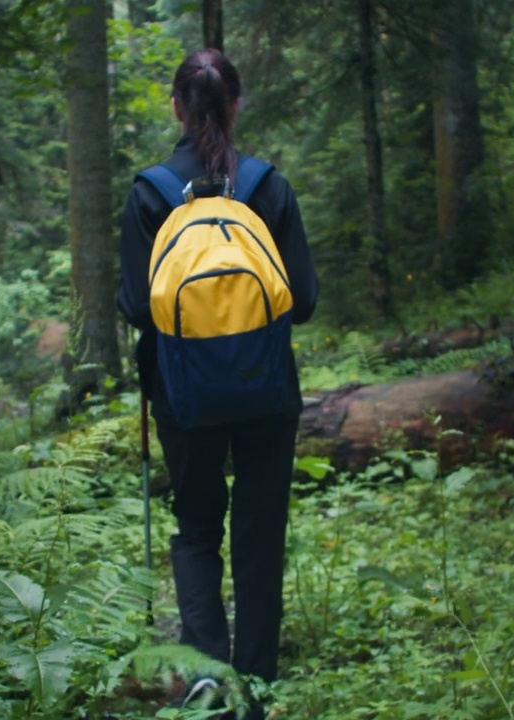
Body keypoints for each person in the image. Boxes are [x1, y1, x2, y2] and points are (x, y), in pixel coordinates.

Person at [116, 48, 319, 716]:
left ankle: (205, 677)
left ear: (176, 107)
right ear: (236, 106)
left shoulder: (150, 192)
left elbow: (136, 306)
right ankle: (255, 686)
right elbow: (305, 299)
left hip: (182, 393)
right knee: (260, 532)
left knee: (197, 525)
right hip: (267, 388)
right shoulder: (267, 187)